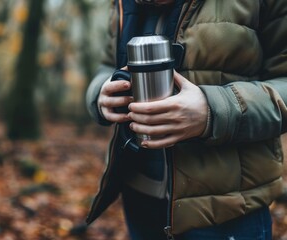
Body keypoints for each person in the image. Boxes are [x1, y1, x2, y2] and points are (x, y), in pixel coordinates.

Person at [85, 0, 287, 239]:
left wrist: (214, 109)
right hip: (138, 195)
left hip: (227, 209)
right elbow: (107, 65)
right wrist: (100, 93)